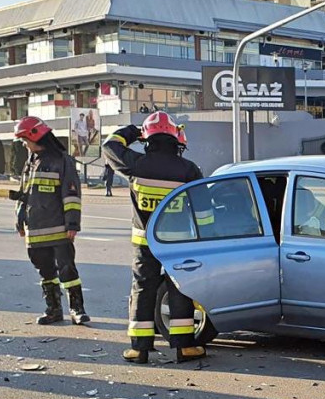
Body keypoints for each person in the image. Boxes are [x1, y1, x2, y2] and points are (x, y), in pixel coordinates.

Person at [103, 111, 205, 365]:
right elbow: (203, 212)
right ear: (176, 140)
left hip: (144, 242)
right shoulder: (189, 169)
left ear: (147, 140)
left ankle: (139, 349)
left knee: (143, 289)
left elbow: (109, 146)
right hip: (178, 243)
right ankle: (185, 347)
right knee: (180, 289)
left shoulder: (136, 164)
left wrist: (133, 131)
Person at [12, 117, 90, 326]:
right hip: (35, 230)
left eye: (25, 140)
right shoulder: (31, 162)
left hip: (58, 229)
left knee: (67, 270)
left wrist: (72, 224)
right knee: (45, 271)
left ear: (34, 136)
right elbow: (24, 193)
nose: (24, 144)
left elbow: (71, 195)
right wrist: (20, 219)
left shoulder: (62, 161)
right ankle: (53, 309)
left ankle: (77, 309)